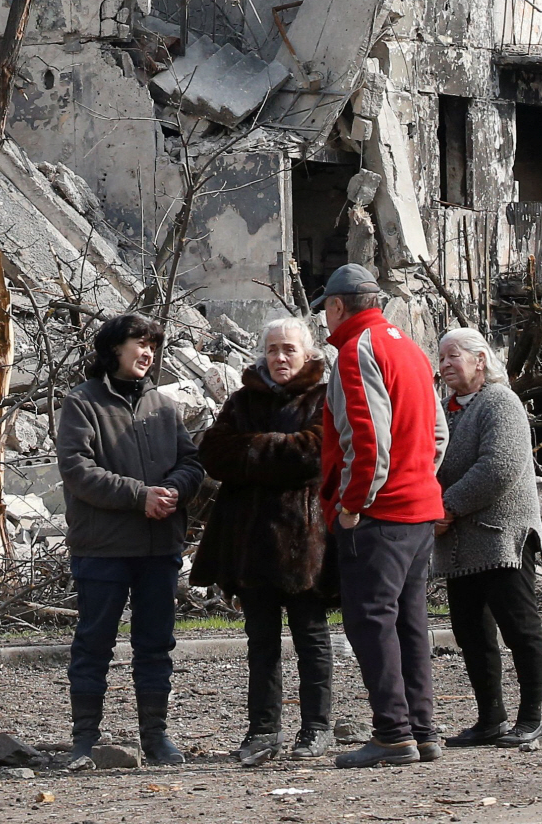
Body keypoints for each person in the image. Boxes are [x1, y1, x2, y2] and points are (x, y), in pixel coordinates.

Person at [56, 312, 204, 768]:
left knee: (156, 644)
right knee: (94, 643)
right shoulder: (81, 403)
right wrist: (140, 496)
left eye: (152, 346)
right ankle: (84, 740)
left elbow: (192, 461)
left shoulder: (162, 405)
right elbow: (79, 472)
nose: (148, 353)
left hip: (159, 548)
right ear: (113, 349)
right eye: (139, 343)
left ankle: (155, 738)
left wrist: (175, 490)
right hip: (102, 549)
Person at [316, 262, 448, 769]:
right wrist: (419, 479)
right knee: (410, 622)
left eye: (326, 312)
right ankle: (422, 729)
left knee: (370, 621)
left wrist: (353, 505)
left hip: (381, 513)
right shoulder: (410, 348)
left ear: (336, 306)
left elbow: (367, 440)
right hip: (418, 509)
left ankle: (393, 733)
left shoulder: (357, 352)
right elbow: (438, 434)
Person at [191, 316, 337, 767]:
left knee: (312, 638)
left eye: (289, 349)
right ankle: (263, 730)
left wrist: (251, 451)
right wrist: (274, 451)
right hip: (250, 546)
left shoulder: (325, 398)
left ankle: (317, 727)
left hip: (304, 544)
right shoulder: (242, 399)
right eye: (272, 349)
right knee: (261, 642)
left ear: (308, 353)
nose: (279, 357)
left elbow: (315, 453)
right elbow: (213, 452)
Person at [434, 327, 542, 750]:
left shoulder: (501, 402)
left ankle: (531, 719)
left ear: (480, 360)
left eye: (453, 356)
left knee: (519, 629)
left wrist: (445, 508)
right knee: (470, 633)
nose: (444, 364)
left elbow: (498, 466)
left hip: (503, 538)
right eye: (441, 357)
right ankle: (490, 718)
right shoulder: (447, 410)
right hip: (460, 544)